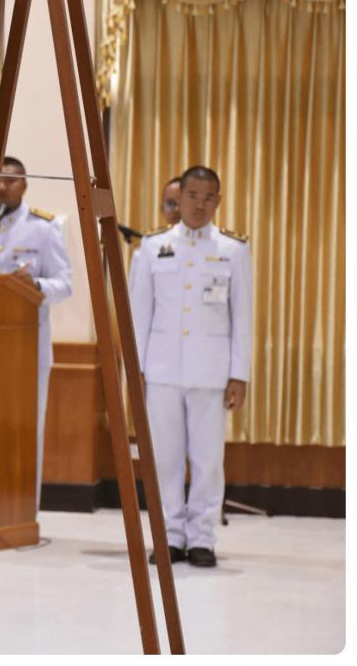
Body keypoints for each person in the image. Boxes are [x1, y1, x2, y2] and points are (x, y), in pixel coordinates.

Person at [129, 165, 251, 569]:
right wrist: (135, 371)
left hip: (211, 372)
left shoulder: (233, 249)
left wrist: (239, 374)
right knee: (164, 458)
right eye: (193, 196)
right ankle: (169, 536)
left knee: (207, 460)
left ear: (218, 201)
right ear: (178, 198)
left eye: (208, 197)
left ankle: (202, 537)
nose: (200, 205)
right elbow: (138, 315)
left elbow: (242, 316)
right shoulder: (152, 247)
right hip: (161, 370)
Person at [0, 155, 73, 504]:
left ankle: (24, 509)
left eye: (10, 180)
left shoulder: (43, 228)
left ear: (24, 185)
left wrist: (33, 285)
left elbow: (65, 284)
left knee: (25, 430)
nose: (2, 186)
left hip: (27, 349)